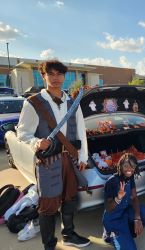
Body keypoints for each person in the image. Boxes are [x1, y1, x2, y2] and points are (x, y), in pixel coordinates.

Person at [16, 60, 90, 249]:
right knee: (48, 203)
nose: (56, 78)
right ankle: (49, 243)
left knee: (70, 198)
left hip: (71, 159)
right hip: (49, 160)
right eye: (51, 74)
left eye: (59, 74)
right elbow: (22, 132)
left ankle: (69, 234)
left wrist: (83, 157)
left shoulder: (72, 102)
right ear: (43, 76)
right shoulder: (33, 103)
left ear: (64, 77)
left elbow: (81, 129)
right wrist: (36, 142)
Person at [102, 153, 145, 250]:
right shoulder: (111, 182)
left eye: (132, 166)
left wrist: (137, 218)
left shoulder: (130, 177)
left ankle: (127, 234)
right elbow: (108, 208)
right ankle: (109, 235)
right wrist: (118, 198)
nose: (129, 169)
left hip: (125, 212)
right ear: (120, 166)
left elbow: (134, 198)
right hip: (114, 220)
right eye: (126, 166)